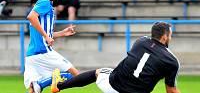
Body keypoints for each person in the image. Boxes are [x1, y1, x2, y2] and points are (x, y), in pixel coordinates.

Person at [51, 22, 181, 93]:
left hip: (113, 86)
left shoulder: (140, 41)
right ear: (164, 37)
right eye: (170, 35)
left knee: (97, 73)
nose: (170, 37)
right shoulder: (172, 61)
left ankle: (59, 86)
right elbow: (171, 90)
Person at [24, 0, 80, 93]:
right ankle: (49, 81)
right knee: (76, 75)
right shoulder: (44, 2)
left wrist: (62, 33)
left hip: (31, 55)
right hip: (43, 52)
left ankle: (42, 84)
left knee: (33, 90)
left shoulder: (44, 4)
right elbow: (31, 17)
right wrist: (46, 36)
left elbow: (46, 33)